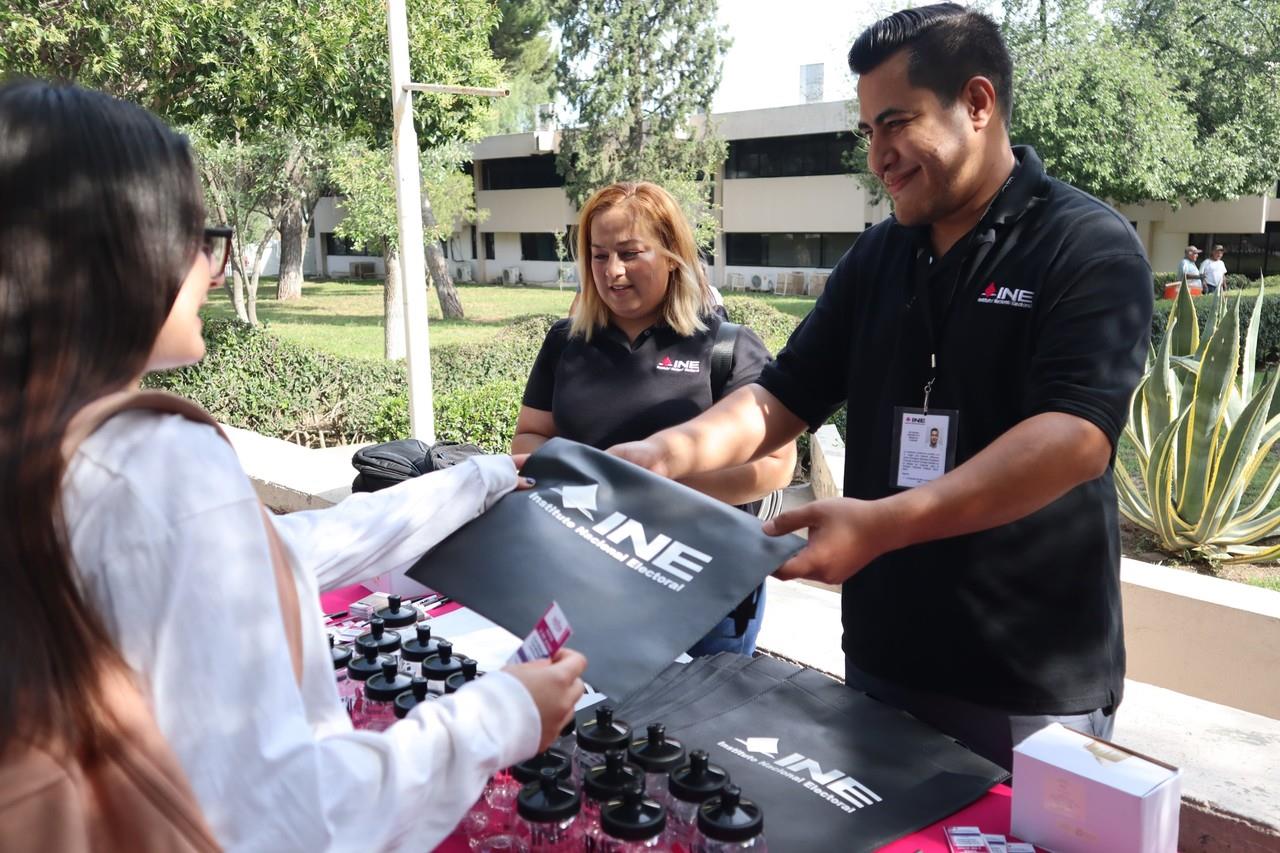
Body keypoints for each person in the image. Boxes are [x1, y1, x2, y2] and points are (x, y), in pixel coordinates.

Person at [0, 80, 586, 851]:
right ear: (121, 251)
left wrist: (476, 479)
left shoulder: (44, 452)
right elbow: (290, 820)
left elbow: (285, 553)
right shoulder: (155, 464)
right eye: (199, 235)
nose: (211, 269)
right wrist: (499, 716)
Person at [609, 4, 1153, 771]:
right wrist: (661, 455)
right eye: (868, 132)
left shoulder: (1085, 245)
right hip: (882, 662)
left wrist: (885, 524)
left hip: (1028, 687)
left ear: (977, 103)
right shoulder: (877, 258)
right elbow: (780, 397)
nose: (879, 156)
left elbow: (1073, 439)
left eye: (895, 124)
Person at [512, 181, 796, 656]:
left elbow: (776, 465)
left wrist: (652, 492)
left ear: (671, 254)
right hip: (588, 574)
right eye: (599, 256)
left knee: (699, 722)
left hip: (706, 584)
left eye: (630, 253)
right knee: (598, 722)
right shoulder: (565, 343)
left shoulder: (726, 347)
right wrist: (590, 480)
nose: (613, 272)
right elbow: (530, 436)